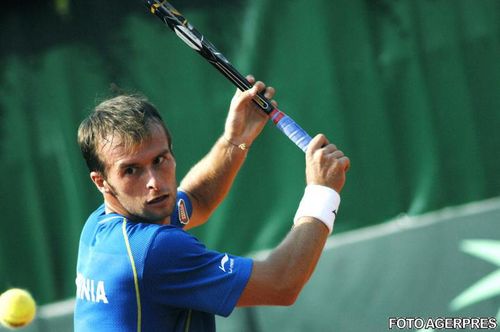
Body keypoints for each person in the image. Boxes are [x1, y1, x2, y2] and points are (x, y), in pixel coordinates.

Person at [74, 76, 350, 332]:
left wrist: (236, 140)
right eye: (131, 170)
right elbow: (282, 283)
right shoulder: (154, 250)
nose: (154, 183)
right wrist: (322, 192)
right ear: (101, 181)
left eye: (160, 160)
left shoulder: (98, 226)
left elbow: (197, 199)